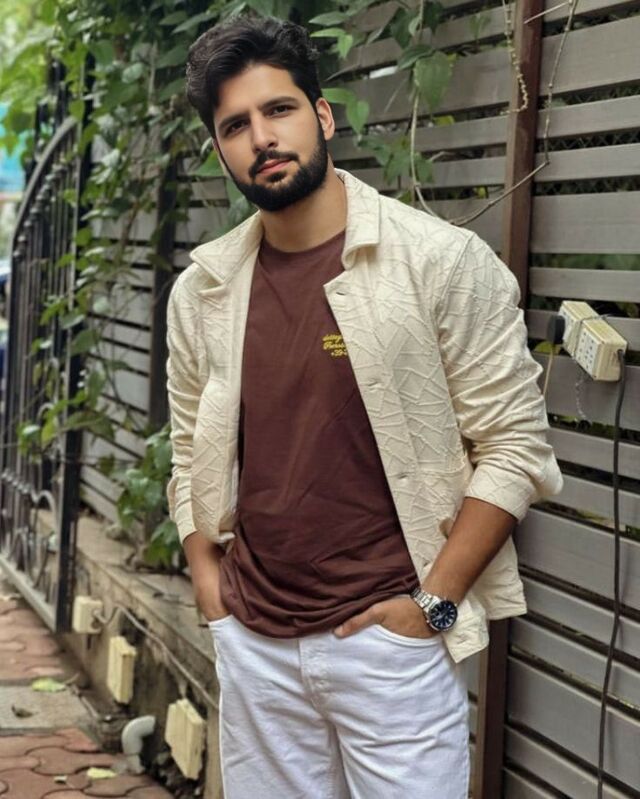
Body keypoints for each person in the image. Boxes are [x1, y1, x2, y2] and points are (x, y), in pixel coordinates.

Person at [167, 14, 563, 798]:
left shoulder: (440, 263)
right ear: (220, 150)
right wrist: (208, 581)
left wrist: (434, 605)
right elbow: (190, 452)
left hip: (392, 648)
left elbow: (516, 447)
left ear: (322, 116)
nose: (261, 138)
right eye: (236, 126)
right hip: (255, 642)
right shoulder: (204, 289)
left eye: (279, 110)